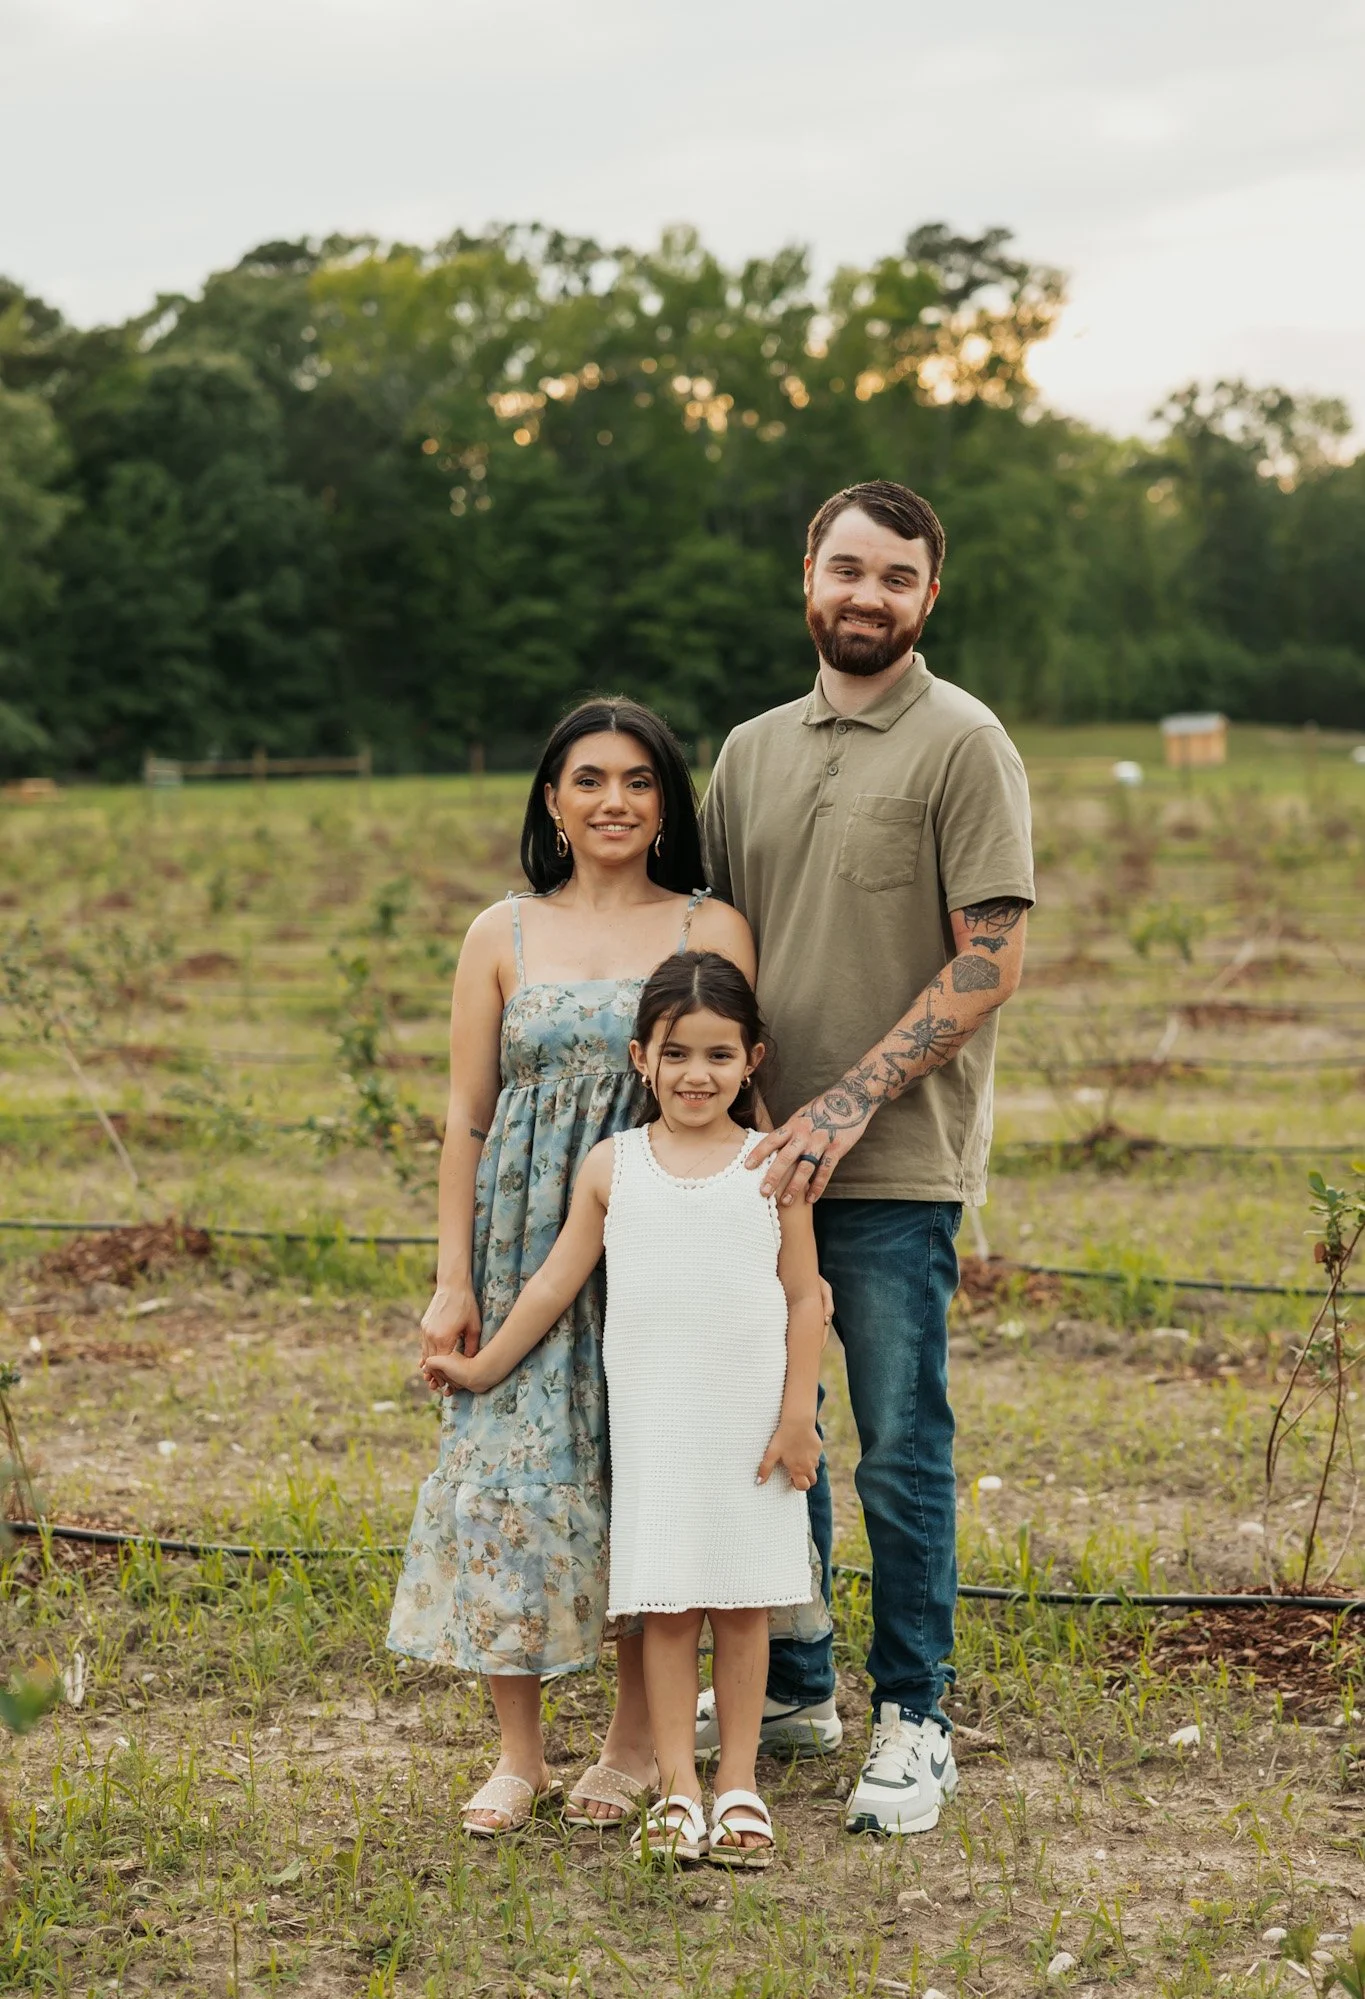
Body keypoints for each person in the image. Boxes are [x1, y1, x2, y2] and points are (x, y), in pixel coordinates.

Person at [699, 478, 1034, 1835]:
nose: (866, 596)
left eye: (896, 579)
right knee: (779, 1434)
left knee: (897, 1441)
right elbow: (711, 945)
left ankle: (914, 1715)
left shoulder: (964, 742)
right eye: (847, 569)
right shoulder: (748, 750)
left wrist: (845, 1104)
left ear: (927, 599)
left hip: (892, 1167)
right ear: (806, 575)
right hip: (752, 1164)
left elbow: (992, 959)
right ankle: (793, 1681)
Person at [387, 697, 756, 1836]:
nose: (614, 801)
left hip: (659, 1236)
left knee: (647, 1475)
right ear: (552, 798)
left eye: (640, 781)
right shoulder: (502, 932)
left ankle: (637, 1744)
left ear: (666, 803)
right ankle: (517, 1752)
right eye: (589, 779)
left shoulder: (712, 924)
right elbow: (466, 1120)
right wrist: (455, 1277)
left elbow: (738, 1086)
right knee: (511, 1480)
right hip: (522, 1241)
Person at [426, 951, 824, 1865]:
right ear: (641, 1058)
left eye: (719, 1056)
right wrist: (483, 1368)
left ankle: (739, 1784)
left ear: (752, 1060)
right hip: (655, 1426)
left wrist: (797, 1415)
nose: (697, 1075)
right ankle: (678, 1785)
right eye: (676, 1054)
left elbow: (805, 1296)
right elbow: (554, 1283)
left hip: (748, 1424)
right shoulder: (616, 1166)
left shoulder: (772, 1166)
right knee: (668, 1609)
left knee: (744, 1606)